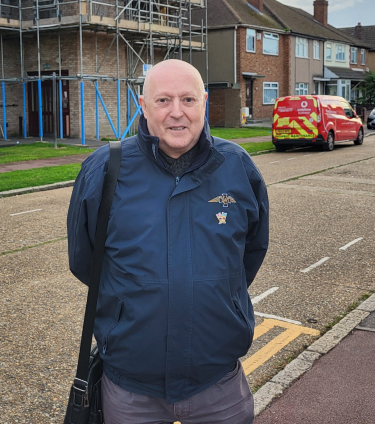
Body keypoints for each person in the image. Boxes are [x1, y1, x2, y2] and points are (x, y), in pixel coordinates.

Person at [67, 59, 270, 423]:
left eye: (188, 100)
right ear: (142, 106)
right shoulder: (104, 169)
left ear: (204, 102)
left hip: (217, 383)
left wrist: (212, 292)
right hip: (131, 388)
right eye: (163, 101)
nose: (177, 113)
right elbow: (85, 260)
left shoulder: (237, 167)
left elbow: (250, 252)